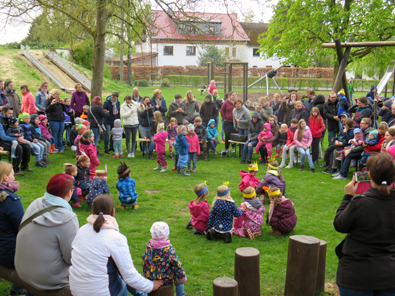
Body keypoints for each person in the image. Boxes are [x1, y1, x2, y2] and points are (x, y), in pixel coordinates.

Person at [69, 194, 162, 296]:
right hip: (101, 292)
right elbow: (129, 276)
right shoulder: (116, 238)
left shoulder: (82, 230)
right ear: (113, 211)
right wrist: (151, 286)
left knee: (121, 280)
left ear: (92, 212)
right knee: (123, 282)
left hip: (76, 289)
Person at [333, 153, 395, 296]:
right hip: (389, 275)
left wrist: (348, 196)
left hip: (356, 276)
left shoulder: (360, 203)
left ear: (370, 176)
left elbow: (340, 225)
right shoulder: (362, 202)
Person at [15, 174, 79, 291]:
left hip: (22, 268)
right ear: (70, 192)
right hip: (49, 278)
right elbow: (71, 257)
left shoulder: (36, 202)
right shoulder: (68, 217)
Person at [0, 162, 27, 296]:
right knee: (39, 249)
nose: (14, 177)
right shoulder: (8, 199)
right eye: (12, 174)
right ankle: (22, 289)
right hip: (7, 254)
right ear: (5, 178)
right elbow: (22, 227)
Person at [143, 222, 186, 296]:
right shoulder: (168, 249)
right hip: (166, 279)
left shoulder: (149, 247)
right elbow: (176, 264)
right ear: (167, 234)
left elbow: (145, 260)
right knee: (179, 282)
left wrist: (146, 273)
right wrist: (182, 277)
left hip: (152, 278)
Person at [0, 105, 32, 175]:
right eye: (9, 113)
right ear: (3, 113)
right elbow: (3, 137)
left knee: (26, 146)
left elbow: (19, 129)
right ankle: (15, 169)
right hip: (2, 142)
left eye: (12, 113)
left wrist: (21, 137)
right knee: (18, 148)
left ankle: (24, 166)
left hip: (13, 140)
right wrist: (17, 139)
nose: (11, 115)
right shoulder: (0, 121)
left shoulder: (12, 119)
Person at [45, 89, 66, 153]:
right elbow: (47, 110)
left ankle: (60, 147)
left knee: (60, 134)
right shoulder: (48, 101)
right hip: (53, 120)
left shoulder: (59, 101)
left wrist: (63, 104)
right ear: (53, 94)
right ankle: (55, 147)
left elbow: (64, 110)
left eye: (59, 94)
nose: (58, 96)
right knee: (54, 134)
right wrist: (51, 104)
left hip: (61, 119)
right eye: (57, 94)